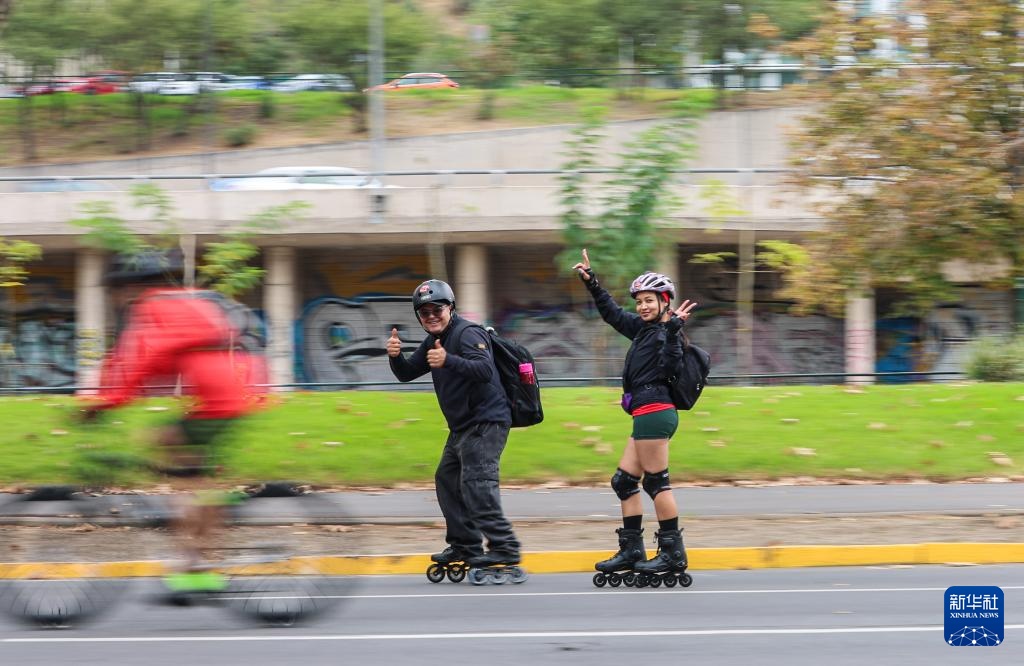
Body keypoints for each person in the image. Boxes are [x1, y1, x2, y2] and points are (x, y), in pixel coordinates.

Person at [80, 249, 264, 592]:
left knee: (179, 470)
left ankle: (195, 558)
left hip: (221, 396)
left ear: (130, 287)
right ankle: (199, 559)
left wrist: (104, 404)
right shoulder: (182, 301)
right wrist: (114, 393)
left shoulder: (153, 307)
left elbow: (140, 360)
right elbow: (149, 360)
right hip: (238, 387)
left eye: (115, 289)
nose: (114, 297)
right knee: (188, 468)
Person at [571, 248, 698, 580]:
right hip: (645, 412)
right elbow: (612, 314)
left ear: (664, 302)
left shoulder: (667, 334)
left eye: (649, 300)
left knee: (656, 482)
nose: (642, 306)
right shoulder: (643, 330)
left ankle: (672, 553)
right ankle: (632, 550)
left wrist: (673, 331)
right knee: (624, 482)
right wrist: (592, 283)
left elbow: (670, 367)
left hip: (656, 411)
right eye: (639, 301)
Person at [386, 279, 521, 570]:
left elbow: (484, 369)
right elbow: (407, 373)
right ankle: (465, 545)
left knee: (477, 484)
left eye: (437, 309)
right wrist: (395, 357)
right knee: (447, 480)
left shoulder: (467, 333)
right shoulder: (434, 341)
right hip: (462, 427)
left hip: (486, 421)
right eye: (424, 313)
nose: (431, 316)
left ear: (451, 308)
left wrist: (448, 360)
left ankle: (505, 547)